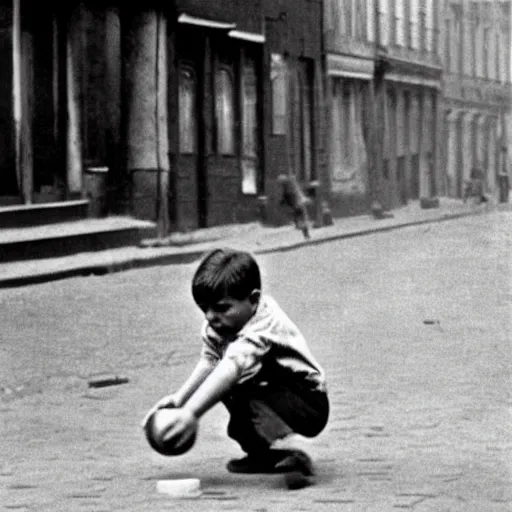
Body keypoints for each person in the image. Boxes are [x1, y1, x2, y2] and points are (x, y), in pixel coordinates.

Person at [142, 248, 329, 488]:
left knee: (228, 380)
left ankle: (286, 453)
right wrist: (180, 400)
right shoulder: (219, 325)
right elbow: (211, 360)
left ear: (253, 299)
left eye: (221, 308)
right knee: (225, 386)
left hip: (307, 401)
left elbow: (232, 366)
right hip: (269, 390)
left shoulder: (264, 323)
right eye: (204, 308)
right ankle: (269, 457)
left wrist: (191, 414)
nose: (210, 316)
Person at [278, 174, 312, 239]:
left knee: (300, 220)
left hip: (297, 205)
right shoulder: (288, 186)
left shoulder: (288, 187)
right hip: (296, 205)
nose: (280, 185)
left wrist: (283, 202)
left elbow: (289, 196)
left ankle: (306, 233)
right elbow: (287, 196)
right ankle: (305, 233)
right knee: (299, 219)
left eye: (281, 183)